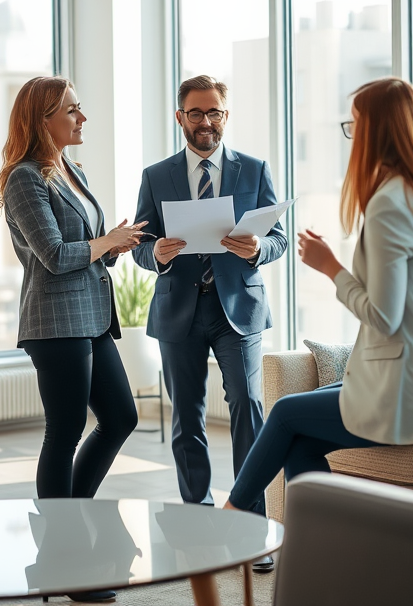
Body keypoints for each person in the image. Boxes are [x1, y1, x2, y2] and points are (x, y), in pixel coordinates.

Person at [224, 77, 413, 513]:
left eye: (355, 124)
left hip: (411, 394)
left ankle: (230, 519)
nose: (352, 134)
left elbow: (384, 317)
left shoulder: (390, 204)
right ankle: (326, 544)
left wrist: (331, 268)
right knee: (300, 442)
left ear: (378, 130)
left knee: (284, 413)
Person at [0, 77, 144, 603]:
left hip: (92, 315)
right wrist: (105, 241)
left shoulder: (72, 170)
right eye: (72, 110)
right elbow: (56, 255)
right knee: (65, 431)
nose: (82, 119)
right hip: (55, 323)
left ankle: (61, 533)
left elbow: (86, 249)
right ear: (43, 120)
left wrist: (114, 245)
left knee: (122, 417)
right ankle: (66, 559)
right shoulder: (24, 179)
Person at [132, 75, 287, 571]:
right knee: (188, 419)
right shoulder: (157, 175)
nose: (206, 122)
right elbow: (139, 242)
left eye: (214, 112)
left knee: (248, 407)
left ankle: (250, 524)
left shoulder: (254, 169)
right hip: (180, 308)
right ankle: (197, 519)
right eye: (196, 113)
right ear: (180, 117)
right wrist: (152, 252)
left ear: (226, 115)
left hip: (237, 310)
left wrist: (261, 248)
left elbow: (279, 236)